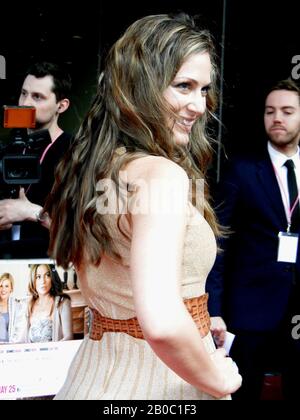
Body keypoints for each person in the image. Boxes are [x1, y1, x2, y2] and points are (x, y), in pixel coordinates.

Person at [43, 13, 242, 400]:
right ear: (140, 87)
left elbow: (124, 282)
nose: (199, 105)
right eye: (183, 86)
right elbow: (163, 323)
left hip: (93, 377)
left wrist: (197, 319)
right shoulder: (161, 175)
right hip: (161, 386)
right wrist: (219, 380)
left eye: (204, 89)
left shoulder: (99, 169)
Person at [206, 78, 300, 400]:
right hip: (249, 309)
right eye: (270, 111)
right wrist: (214, 308)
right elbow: (218, 243)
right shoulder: (242, 171)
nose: (277, 118)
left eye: (287, 111)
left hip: (296, 309)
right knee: (242, 391)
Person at [0, 62, 72, 258]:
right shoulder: (7, 150)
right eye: (24, 93)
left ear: (61, 105)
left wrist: (31, 212)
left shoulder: (75, 153)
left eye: (37, 97)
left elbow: (83, 231)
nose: (25, 103)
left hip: (45, 266)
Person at [9, 264, 73, 343]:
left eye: (47, 275)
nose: (43, 281)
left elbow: (69, 337)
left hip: (56, 353)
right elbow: (20, 340)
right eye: (38, 277)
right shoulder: (28, 305)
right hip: (31, 354)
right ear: (33, 280)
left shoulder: (63, 302)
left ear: (52, 277)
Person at [0, 273, 14, 343]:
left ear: (11, 289)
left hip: (8, 347)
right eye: (1, 286)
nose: (3, 289)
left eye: (6, 286)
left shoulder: (15, 307)